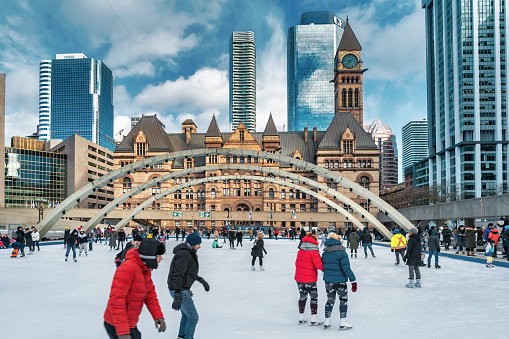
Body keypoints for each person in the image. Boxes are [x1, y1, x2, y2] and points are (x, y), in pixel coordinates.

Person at [104, 238, 166, 338]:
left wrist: (158, 316)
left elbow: (150, 295)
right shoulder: (127, 269)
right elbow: (116, 301)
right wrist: (123, 332)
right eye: (158, 256)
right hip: (116, 324)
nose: (161, 259)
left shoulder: (144, 268)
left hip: (129, 322)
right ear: (149, 257)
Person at [168, 233, 209, 339]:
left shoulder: (188, 252)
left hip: (180, 288)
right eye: (198, 244)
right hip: (180, 289)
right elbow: (177, 274)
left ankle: (181, 336)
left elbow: (188, 272)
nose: (200, 246)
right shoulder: (185, 254)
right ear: (193, 244)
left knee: (186, 316)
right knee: (193, 317)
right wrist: (178, 294)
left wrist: (201, 280)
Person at [322, 232, 356, 330]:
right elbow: (346, 269)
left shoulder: (325, 253)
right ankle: (342, 322)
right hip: (340, 281)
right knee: (343, 300)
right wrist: (353, 281)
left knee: (330, 300)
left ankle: (327, 320)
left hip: (328, 281)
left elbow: (324, 267)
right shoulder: (342, 253)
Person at [294, 233, 324, 326]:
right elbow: (319, 265)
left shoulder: (301, 251)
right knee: (313, 297)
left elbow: (297, 263)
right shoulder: (314, 252)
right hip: (310, 279)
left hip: (299, 278)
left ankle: (301, 316)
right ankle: (314, 318)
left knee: (302, 296)